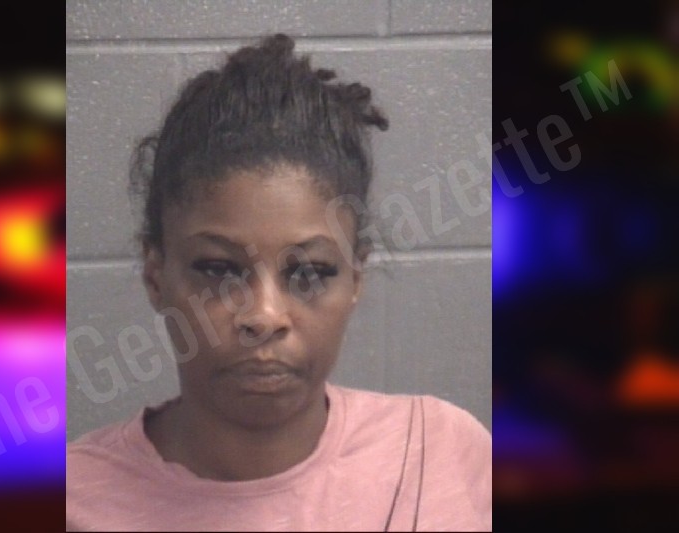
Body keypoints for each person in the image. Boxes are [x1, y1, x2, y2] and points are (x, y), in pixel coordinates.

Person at [66, 33, 491, 532]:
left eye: (309, 273)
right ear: (156, 275)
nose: (264, 316)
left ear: (355, 277)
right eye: (218, 269)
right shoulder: (74, 499)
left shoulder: (439, 451)